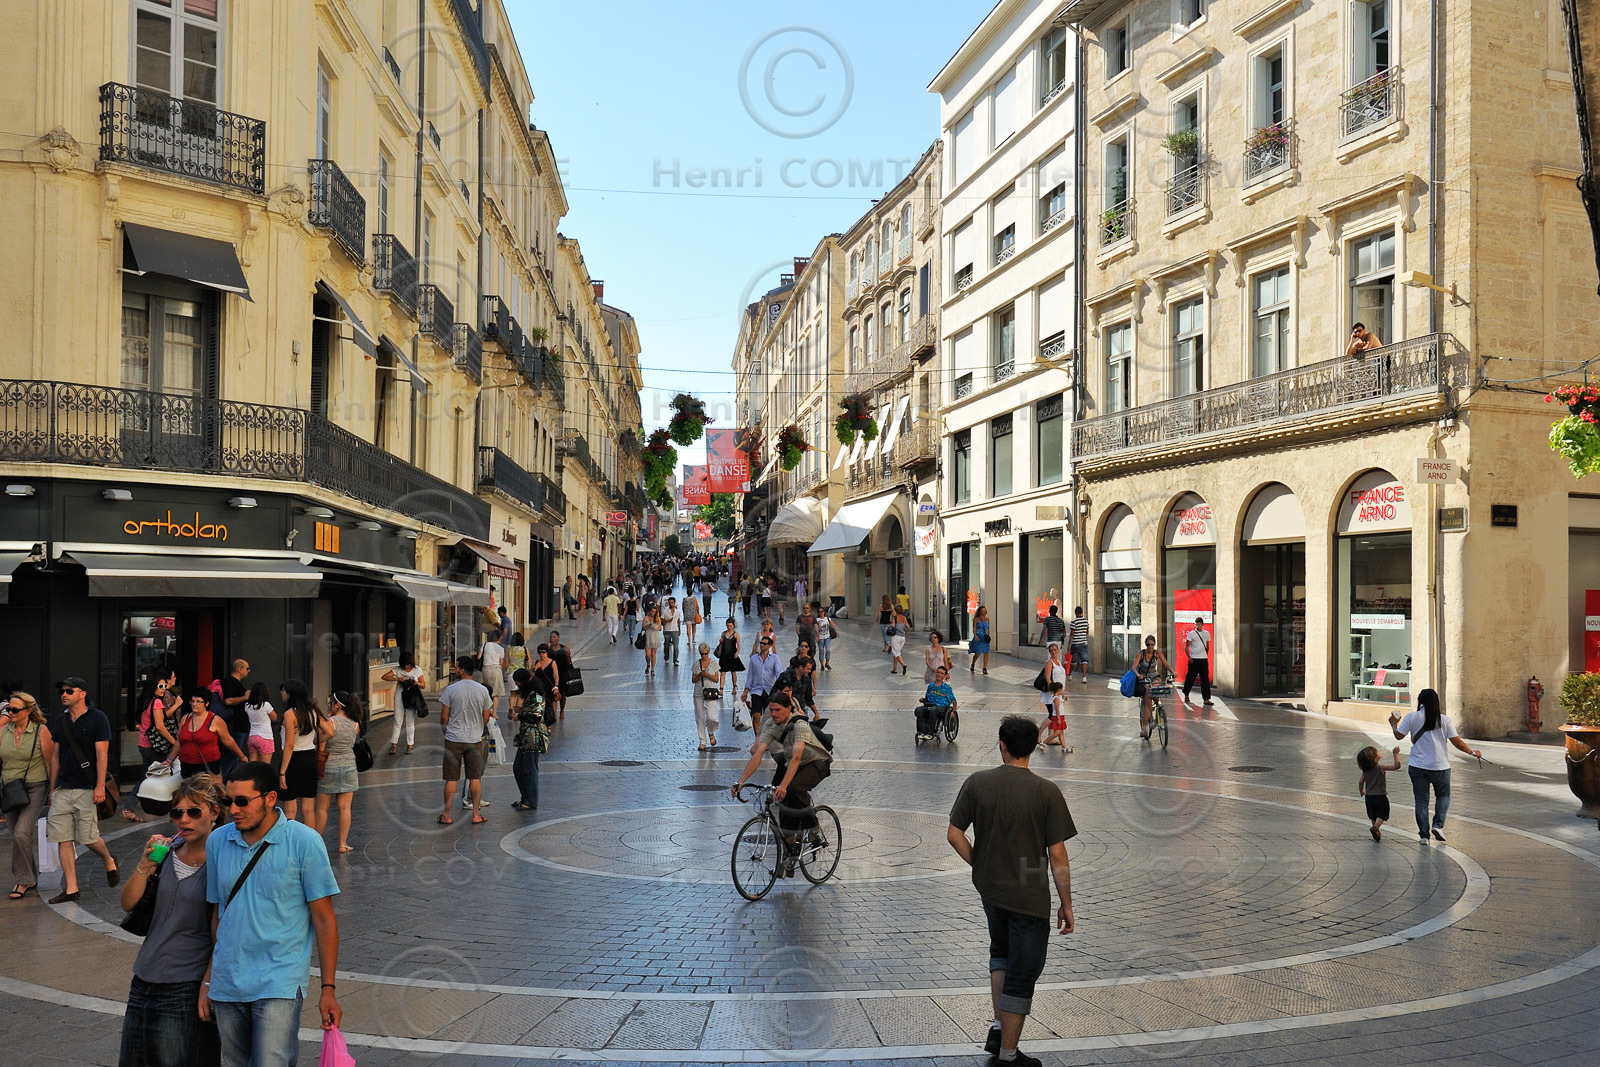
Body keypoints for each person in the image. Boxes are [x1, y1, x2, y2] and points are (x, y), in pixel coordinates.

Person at [947, 715, 1077, 1067]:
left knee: (1001, 955)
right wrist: (1066, 903)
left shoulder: (977, 783)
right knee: (1023, 971)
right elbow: (1057, 853)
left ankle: (997, 1027)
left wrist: (980, 864)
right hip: (1029, 893)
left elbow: (954, 834)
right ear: (1035, 746)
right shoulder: (1046, 791)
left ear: (1001, 745)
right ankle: (1008, 1054)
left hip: (992, 890)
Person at [203, 762, 342, 1064]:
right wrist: (210, 979)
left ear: (269, 798)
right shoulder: (217, 841)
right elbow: (218, 912)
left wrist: (328, 989)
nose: (234, 809)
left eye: (242, 801)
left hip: (278, 979)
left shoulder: (305, 842)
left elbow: (324, 919)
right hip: (229, 981)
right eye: (228, 801)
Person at [118, 772, 225, 1066]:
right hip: (144, 977)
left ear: (214, 813)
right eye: (177, 812)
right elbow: (128, 903)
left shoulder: (222, 863)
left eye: (194, 812)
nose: (184, 820)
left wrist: (207, 985)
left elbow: (224, 934)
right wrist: (144, 865)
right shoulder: (166, 853)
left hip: (185, 983)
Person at [46, 677, 119, 902]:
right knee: (63, 838)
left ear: (82, 693)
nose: (64, 694)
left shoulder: (98, 718)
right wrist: (53, 788)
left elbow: (102, 755)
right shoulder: (61, 721)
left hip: (87, 788)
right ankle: (71, 888)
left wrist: (99, 786)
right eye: (62, 691)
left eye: (69, 690)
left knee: (88, 838)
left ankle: (108, 859)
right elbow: (56, 755)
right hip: (63, 788)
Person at [730, 692, 832, 849]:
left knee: (793, 788)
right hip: (793, 762)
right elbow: (758, 754)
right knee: (780, 797)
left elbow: (797, 757)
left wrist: (784, 785)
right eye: (771, 710)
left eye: (778, 710)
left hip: (816, 762)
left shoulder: (799, 725)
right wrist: (740, 781)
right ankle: (788, 848)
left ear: (789, 708)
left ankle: (813, 827)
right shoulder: (770, 725)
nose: (774, 714)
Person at [1390, 688, 1481, 844]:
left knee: (1421, 800)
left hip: (1417, 766)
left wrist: (1393, 724)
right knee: (1443, 796)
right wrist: (1473, 752)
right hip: (1440, 766)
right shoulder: (1444, 720)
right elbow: (1456, 742)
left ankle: (1424, 836)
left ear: (1421, 702)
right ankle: (1438, 825)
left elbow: (1399, 735)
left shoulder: (1412, 717)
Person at [2, 691, 54, 900]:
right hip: (9, 789)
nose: (11, 713)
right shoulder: (4, 730)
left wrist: (53, 791)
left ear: (29, 710)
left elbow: (50, 763)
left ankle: (22, 881)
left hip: (35, 786)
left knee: (22, 834)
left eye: (15, 710)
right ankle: (31, 876)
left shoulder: (41, 731)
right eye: (8, 709)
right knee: (16, 835)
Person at [439, 656, 493, 825]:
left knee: (451, 779)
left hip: (453, 739)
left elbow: (444, 716)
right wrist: (477, 728)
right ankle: (476, 814)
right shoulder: (482, 690)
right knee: (475, 778)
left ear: (462, 670)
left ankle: (447, 815)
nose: (454, 669)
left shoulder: (451, 689)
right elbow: (486, 716)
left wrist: (445, 731)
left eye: (456, 667)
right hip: (474, 739)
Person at [126, 668, 180, 821]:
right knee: (175, 774)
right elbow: (160, 726)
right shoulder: (156, 702)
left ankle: (129, 808)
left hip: (144, 745)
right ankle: (175, 808)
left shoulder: (145, 700)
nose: (163, 689)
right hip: (155, 747)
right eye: (160, 686)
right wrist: (175, 743)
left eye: (164, 686)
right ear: (153, 687)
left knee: (145, 777)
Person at [316, 692, 364, 853]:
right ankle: (343, 844)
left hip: (329, 766)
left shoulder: (330, 722)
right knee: (345, 807)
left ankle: (316, 842)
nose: (329, 705)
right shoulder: (356, 724)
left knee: (323, 808)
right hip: (349, 765)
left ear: (337, 705)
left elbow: (319, 744)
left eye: (331, 703)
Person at [275, 681, 325, 827]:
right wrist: (314, 741)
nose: (281, 693)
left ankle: (291, 841)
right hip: (310, 758)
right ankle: (311, 842)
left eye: (283, 691)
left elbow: (289, 744)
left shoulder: (289, 714)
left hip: (293, 760)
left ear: (291, 693)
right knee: (308, 809)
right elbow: (329, 731)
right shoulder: (313, 711)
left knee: (290, 808)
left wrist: (282, 772)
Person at [176, 687, 247, 778]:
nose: (194, 704)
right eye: (192, 701)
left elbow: (228, 740)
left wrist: (241, 756)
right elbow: (179, 741)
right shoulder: (185, 718)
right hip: (186, 765)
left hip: (207, 765)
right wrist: (170, 760)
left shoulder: (215, 720)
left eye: (198, 701)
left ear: (207, 703)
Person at [510, 684, 548, 812]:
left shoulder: (536, 696)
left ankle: (531, 801)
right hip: (525, 736)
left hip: (533, 737)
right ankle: (525, 798)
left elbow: (536, 716)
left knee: (530, 769)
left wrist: (519, 716)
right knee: (518, 767)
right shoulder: (528, 695)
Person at [382, 651, 426, 755]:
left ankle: (410, 745)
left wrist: (417, 683)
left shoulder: (417, 670)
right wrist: (397, 678)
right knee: (398, 720)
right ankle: (393, 744)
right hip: (400, 694)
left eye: (409, 665)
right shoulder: (398, 669)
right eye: (405, 665)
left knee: (410, 721)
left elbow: (424, 684)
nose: (407, 667)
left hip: (412, 696)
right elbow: (384, 676)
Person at [1357, 744, 1402, 841]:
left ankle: (1376, 831)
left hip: (1369, 797)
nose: (1379, 751)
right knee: (1382, 813)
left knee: (1373, 815)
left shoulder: (1365, 771)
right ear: (1373, 757)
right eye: (1376, 751)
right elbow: (1397, 766)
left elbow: (1360, 782)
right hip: (1380, 796)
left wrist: (1362, 792)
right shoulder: (1381, 767)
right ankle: (1375, 828)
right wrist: (1395, 754)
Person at [1134, 636, 1172, 741]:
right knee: (1148, 704)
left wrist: (1173, 672)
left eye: (1152, 645)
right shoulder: (1141, 654)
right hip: (1144, 678)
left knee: (1155, 690)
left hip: (1155, 677)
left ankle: (1159, 715)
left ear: (1154, 644)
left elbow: (1166, 664)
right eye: (1148, 645)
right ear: (1145, 645)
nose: (1150, 647)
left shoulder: (1157, 653)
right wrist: (1138, 674)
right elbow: (1134, 666)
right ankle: (1144, 728)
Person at [743, 635, 782, 731]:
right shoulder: (754, 658)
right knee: (756, 716)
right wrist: (745, 691)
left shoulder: (775, 658)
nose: (761, 645)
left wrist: (780, 689)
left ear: (769, 646)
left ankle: (767, 738)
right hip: (756, 690)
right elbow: (750, 675)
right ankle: (757, 738)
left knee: (769, 717)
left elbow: (778, 673)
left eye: (764, 644)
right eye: (761, 643)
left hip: (770, 690)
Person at [691, 643, 722, 750]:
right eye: (702, 654)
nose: (704, 656)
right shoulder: (696, 664)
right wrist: (700, 675)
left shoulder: (714, 663)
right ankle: (702, 741)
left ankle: (711, 731)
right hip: (699, 692)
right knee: (700, 717)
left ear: (708, 652)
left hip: (711, 692)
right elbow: (693, 680)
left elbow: (717, 679)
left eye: (705, 653)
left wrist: (708, 675)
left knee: (712, 717)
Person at [917, 665, 957, 740]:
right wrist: (923, 699)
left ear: (944, 675)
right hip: (930, 705)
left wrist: (953, 712)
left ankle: (930, 732)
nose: (939, 674)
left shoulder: (946, 687)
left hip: (941, 707)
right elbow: (927, 698)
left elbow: (954, 701)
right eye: (938, 672)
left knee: (933, 710)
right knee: (919, 710)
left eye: (942, 673)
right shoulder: (931, 686)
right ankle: (922, 731)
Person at [242, 682, 277, 764]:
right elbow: (274, 717)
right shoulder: (266, 705)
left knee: (252, 765)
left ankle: (251, 777)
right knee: (264, 766)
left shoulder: (247, 705)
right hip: (265, 737)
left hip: (252, 736)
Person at [1181, 617, 1213, 706]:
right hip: (1194, 659)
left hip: (1203, 659)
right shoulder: (1191, 634)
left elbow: (1207, 646)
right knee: (1190, 678)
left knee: (1205, 679)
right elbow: (1187, 646)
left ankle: (1206, 699)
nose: (1197, 625)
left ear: (1202, 624)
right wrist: (1189, 657)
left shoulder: (1206, 633)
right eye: (1196, 624)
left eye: (1199, 624)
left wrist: (1205, 655)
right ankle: (1186, 693)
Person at [546, 631, 574, 721]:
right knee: (553, 694)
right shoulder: (548, 649)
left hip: (562, 674)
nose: (553, 639)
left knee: (562, 694)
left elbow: (569, 661)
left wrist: (568, 654)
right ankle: (554, 714)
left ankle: (562, 711)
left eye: (554, 637)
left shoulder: (564, 648)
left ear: (558, 638)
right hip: (552, 674)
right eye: (551, 637)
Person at [479, 630, 507, 716]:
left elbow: (479, 656)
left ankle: (486, 711)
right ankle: (494, 712)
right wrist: (503, 674)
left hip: (485, 669)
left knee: (486, 690)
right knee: (495, 693)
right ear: (499, 638)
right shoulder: (501, 648)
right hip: (496, 669)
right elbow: (501, 663)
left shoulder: (485, 645)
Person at [1039, 681, 1070, 753]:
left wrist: (1062, 695)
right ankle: (1043, 743)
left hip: (1061, 716)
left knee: (1061, 733)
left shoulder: (1059, 697)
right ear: (1059, 689)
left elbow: (1066, 699)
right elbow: (1057, 709)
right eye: (1062, 689)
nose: (1063, 690)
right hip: (1057, 717)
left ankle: (1064, 747)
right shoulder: (1056, 698)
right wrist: (1058, 718)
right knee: (1056, 733)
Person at [716, 617, 743, 696]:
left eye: (730, 626)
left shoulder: (736, 634)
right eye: (728, 626)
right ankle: (721, 689)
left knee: (733, 672)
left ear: (733, 626)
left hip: (732, 655)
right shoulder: (723, 633)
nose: (729, 627)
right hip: (724, 655)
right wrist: (720, 642)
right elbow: (721, 643)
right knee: (723, 672)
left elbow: (739, 645)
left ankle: (734, 687)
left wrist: (737, 653)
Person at [1067, 607, 1090, 683]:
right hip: (1084, 642)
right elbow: (1087, 631)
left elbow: (1072, 634)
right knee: (1084, 660)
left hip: (1076, 643)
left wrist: (1069, 644)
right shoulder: (1086, 621)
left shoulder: (1074, 621)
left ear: (1075, 612)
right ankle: (1084, 677)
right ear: (1082, 612)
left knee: (1074, 661)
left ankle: (1070, 675)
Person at [969, 605, 992, 674]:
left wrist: (988, 635)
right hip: (978, 637)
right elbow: (974, 628)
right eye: (982, 610)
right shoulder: (976, 619)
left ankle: (984, 668)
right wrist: (975, 635)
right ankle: (973, 664)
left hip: (985, 637)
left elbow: (988, 628)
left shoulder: (987, 619)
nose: (984, 612)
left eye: (985, 610)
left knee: (986, 652)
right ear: (979, 611)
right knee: (977, 653)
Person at [661, 596, 682, 667]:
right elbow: (661, 620)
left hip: (675, 630)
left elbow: (678, 621)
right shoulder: (665, 611)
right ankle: (666, 658)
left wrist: (679, 629)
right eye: (669, 602)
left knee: (676, 646)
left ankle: (675, 660)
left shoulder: (678, 612)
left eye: (672, 602)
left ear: (674, 603)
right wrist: (667, 621)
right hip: (667, 630)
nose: (671, 604)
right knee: (666, 645)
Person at [642, 604, 663, 676]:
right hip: (648, 637)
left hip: (655, 637)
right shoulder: (646, 618)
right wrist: (648, 625)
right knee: (648, 654)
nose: (653, 613)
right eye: (652, 611)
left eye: (654, 612)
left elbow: (660, 628)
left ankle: (652, 669)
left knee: (653, 654)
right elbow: (643, 627)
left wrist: (656, 627)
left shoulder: (657, 619)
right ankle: (648, 664)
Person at [889, 609, 910, 676]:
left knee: (896, 653)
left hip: (896, 637)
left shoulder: (895, 617)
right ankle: (894, 669)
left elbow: (892, 625)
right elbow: (908, 627)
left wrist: (891, 627)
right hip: (902, 637)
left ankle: (903, 665)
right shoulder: (904, 618)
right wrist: (906, 633)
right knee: (896, 652)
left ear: (895, 611)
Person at [817, 605, 838, 671]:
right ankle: (822, 665)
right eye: (819, 612)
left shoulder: (827, 619)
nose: (821, 613)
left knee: (828, 650)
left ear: (824, 612)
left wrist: (836, 631)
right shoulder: (816, 620)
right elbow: (814, 629)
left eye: (822, 611)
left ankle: (827, 663)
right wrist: (816, 637)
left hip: (827, 637)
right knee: (821, 651)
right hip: (820, 638)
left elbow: (833, 624)